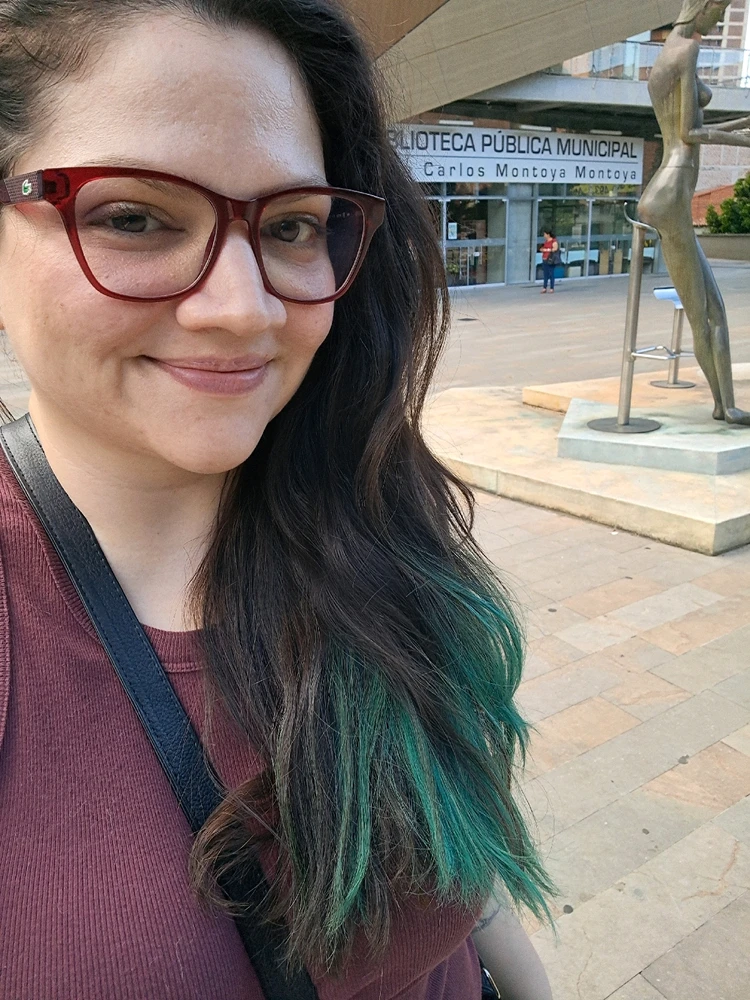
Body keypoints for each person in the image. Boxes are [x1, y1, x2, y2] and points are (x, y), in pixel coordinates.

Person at [0, 2, 554, 998]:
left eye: (292, 225)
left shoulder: (372, 513)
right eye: (134, 217)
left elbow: (462, 876)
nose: (244, 308)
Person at [638, 0, 750, 424]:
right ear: (701, 6)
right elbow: (689, 132)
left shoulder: (669, 52)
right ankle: (726, 406)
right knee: (706, 313)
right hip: (671, 194)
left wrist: (741, 124)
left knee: (712, 310)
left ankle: (724, 405)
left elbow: (688, 127)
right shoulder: (687, 50)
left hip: (668, 191)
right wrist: (743, 140)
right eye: (718, 9)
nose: (719, 18)